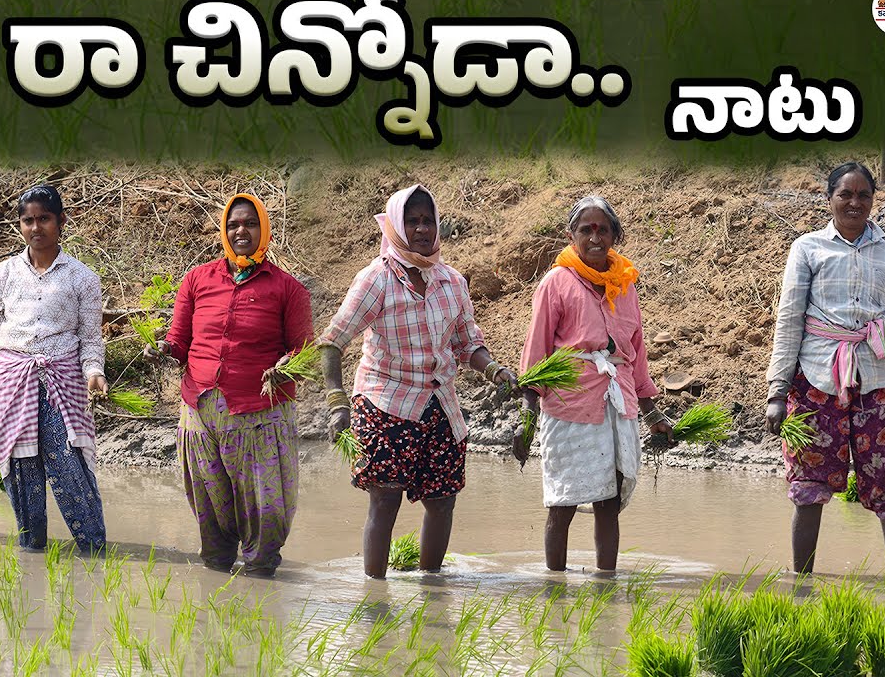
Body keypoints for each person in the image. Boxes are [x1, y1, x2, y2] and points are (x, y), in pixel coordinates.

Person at [319, 184, 517, 579]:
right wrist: (337, 400)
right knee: (385, 501)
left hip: (439, 405)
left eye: (428, 221)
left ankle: (432, 590)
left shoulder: (452, 282)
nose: (422, 229)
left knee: (443, 503)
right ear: (395, 226)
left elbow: (467, 343)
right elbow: (331, 341)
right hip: (385, 404)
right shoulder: (376, 279)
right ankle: (374, 595)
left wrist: (494, 369)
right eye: (412, 221)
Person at [765, 162, 885, 577]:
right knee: (809, 490)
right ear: (830, 199)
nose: (854, 202)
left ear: (872, 201)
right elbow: (789, 320)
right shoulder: (808, 248)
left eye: (863, 195)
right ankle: (801, 584)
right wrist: (777, 392)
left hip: (880, 384)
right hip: (817, 384)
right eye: (845, 194)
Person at [144, 194, 312, 577]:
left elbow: (304, 353)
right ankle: (216, 582)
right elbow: (179, 341)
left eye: (250, 224)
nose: (241, 231)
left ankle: (260, 578)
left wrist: (286, 366)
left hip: (259, 416)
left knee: (263, 512)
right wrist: (163, 349)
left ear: (264, 230)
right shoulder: (198, 279)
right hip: (201, 414)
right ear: (224, 229)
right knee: (211, 509)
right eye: (233, 224)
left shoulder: (288, 289)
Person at [515, 195, 671, 573]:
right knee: (563, 502)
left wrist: (653, 415)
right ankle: (555, 587)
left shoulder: (625, 285)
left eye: (603, 229)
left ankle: (606, 582)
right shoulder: (557, 282)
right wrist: (526, 418)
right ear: (572, 236)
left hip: (617, 403)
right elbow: (535, 354)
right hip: (570, 404)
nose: (595, 237)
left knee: (609, 502)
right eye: (586, 230)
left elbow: (635, 353)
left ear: (615, 235)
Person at [0, 185, 108, 555]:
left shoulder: (82, 278)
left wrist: (94, 373)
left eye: (44, 218)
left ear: (62, 220)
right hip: (12, 383)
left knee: (71, 468)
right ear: (19, 225)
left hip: (63, 381)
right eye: (28, 220)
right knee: (22, 471)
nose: (36, 227)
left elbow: (91, 339)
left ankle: (94, 550)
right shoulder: (3, 274)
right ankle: (32, 551)